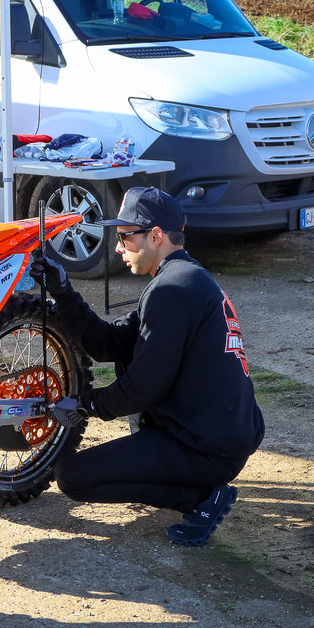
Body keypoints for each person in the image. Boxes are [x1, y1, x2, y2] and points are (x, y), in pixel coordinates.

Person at [31, 187, 265, 547]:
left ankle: (201, 498)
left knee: (73, 477)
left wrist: (84, 405)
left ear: (156, 236)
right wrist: (63, 290)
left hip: (205, 449)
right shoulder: (182, 279)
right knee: (130, 351)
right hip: (214, 435)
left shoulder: (172, 290)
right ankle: (181, 477)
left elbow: (144, 388)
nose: (118, 248)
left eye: (125, 237)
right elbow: (107, 343)